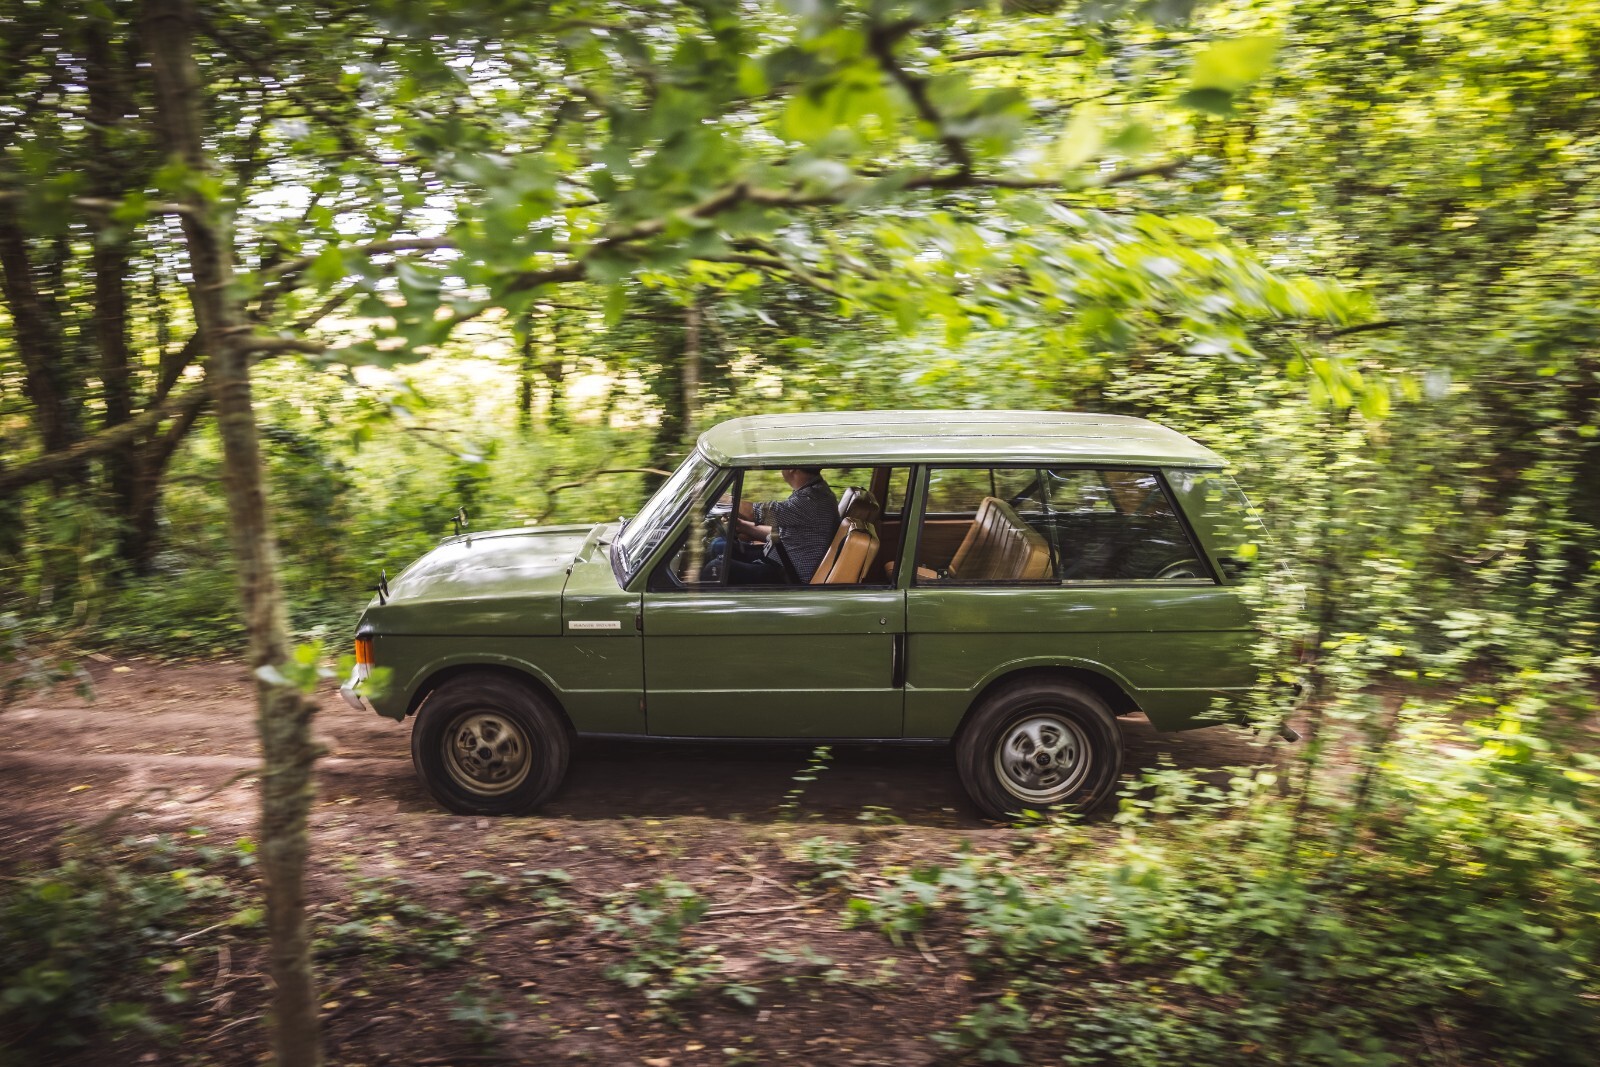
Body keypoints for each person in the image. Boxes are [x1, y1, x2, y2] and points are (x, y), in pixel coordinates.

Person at [726, 467, 839, 584]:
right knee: (721, 546)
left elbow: (756, 513)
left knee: (718, 567)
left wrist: (725, 500)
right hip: (779, 561)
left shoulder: (811, 499)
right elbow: (784, 533)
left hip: (787, 576)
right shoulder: (815, 492)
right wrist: (743, 526)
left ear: (791, 468)